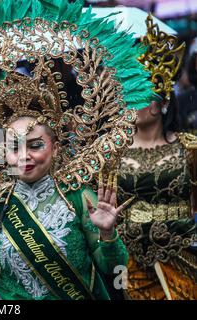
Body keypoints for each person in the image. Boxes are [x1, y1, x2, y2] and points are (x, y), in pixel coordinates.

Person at [0, 0, 155, 299]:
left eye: (35, 145)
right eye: (14, 147)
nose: (24, 156)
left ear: (56, 146)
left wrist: (107, 235)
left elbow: (113, 271)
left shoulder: (79, 198)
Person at [116, 15, 197, 300]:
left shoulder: (190, 148)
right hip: (132, 267)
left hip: (186, 263)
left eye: (140, 96)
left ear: (161, 104)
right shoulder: (110, 153)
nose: (131, 104)